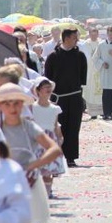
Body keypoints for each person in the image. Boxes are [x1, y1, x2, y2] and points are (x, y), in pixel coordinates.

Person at [0, 83, 62, 223]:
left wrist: (34, 166)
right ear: (0, 106)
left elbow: (54, 149)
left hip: (26, 182)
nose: (13, 108)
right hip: (2, 183)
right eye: (7, 104)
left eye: (16, 103)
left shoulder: (28, 126)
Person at [44, 28, 87, 167]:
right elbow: (48, 78)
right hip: (58, 98)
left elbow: (82, 78)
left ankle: (71, 156)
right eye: (75, 37)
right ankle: (59, 155)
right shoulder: (53, 56)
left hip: (74, 96)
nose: (77, 40)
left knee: (74, 127)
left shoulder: (80, 56)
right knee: (59, 127)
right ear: (67, 38)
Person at [31, 77, 65, 198]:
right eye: (45, 87)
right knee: (37, 168)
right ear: (38, 90)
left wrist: (60, 138)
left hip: (50, 139)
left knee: (49, 170)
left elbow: (56, 125)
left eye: (49, 87)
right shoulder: (32, 108)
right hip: (37, 139)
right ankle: (37, 192)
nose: (48, 89)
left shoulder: (54, 108)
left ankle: (48, 191)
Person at [80, 27, 102, 119]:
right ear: (89, 34)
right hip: (89, 71)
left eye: (95, 34)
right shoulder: (85, 45)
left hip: (99, 70)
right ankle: (92, 112)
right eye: (92, 34)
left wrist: (99, 62)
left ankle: (101, 111)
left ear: (98, 34)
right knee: (89, 91)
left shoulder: (101, 43)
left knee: (100, 91)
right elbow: (84, 57)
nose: (93, 36)